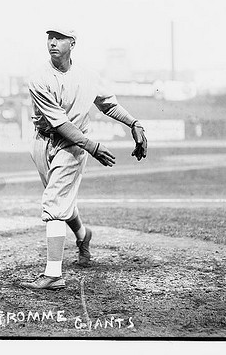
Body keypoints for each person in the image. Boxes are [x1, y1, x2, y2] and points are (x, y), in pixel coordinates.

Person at [21, 28, 148, 290]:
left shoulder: (88, 76)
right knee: (60, 198)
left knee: (55, 201)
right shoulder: (38, 78)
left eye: (60, 38)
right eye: (50, 37)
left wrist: (134, 123)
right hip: (43, 141)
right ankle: (83, 234)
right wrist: (93, 146)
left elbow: (108, 104)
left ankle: (54, 274)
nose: (53, 42)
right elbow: (58, 123)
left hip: (74, 145)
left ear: (73, 43)